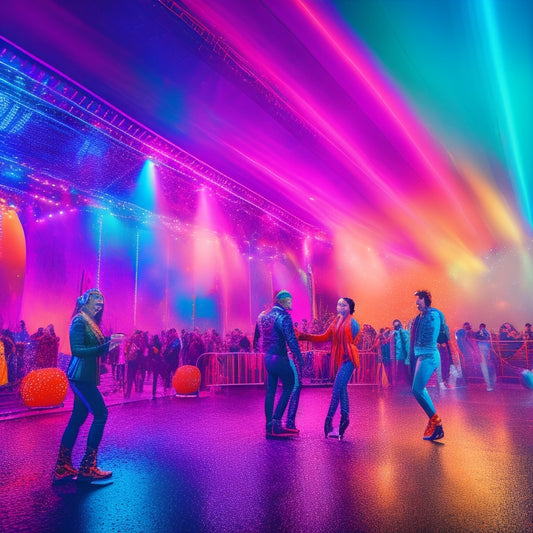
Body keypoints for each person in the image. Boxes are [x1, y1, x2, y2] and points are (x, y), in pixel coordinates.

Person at [52, 289, 124, 484]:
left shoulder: (89, 322)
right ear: (85, 302)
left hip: (85, 377)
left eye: (101, 302)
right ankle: (87, 467)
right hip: (80, 377)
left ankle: (63, 466)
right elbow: (77, 350)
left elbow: (94, 349)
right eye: (95, 301)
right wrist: (106, 346)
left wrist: (111, 342)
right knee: (101, 414)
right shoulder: (79, 321)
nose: (99, 305)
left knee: (78, 417)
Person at [298, 297, 360, 439]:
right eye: (338, 304)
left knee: (337, 389)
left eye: (343, 305)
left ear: (350, 308)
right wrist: (304, 336)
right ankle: (344, 418)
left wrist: (347, 348)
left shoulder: (353, 323)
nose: (340, 307)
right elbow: (324, 337)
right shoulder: (336, 321)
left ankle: (329, 420)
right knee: (341, 388)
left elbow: (355, 340)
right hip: (342, 359)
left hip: (349, 359)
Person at [256, 290, 304, 439]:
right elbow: (291, 339)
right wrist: (299, 357)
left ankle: (269, 426)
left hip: (268, 358)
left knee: (270, 392)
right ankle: (277, 424)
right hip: (280, 358)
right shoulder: (283, 316)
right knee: (290, 386)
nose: (291, 303)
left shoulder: (264, 316)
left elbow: (259, 336)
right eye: (289, 300)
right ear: (283, 301)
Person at [410, 290, 445, 441]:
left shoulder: (433, 315)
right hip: (423, 355)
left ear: (425, 300)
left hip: (429, 355)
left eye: (419, 299)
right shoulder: (421, 316)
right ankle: (435, 423)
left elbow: (432, 334)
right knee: (418, 389)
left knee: (417, 390)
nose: (416, 302)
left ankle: (437, 424)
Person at [391, 319, 410, 386]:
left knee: (402, 369)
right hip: (401, 354)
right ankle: (403, 381)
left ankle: (403, 381)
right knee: (402, 369)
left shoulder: (397, 333)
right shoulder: (397, 333)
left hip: (401, 354)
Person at [475, 323, 494, 391]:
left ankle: (488, 385)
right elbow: (489, 343)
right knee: (487, 369)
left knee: (485, 369)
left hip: (481, 354)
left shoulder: (478, 334)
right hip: (485, 354)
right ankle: (489, 385)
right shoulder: (487, 333)